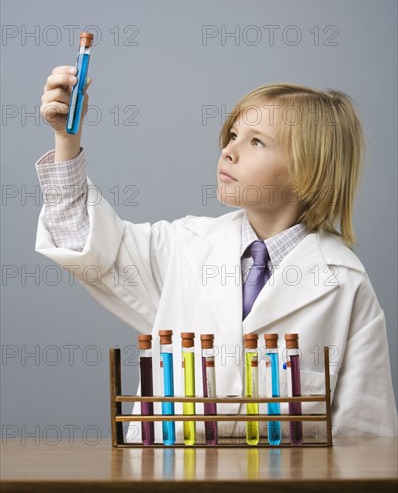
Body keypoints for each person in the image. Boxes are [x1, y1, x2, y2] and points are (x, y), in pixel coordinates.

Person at [35, 65, 397, 443]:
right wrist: (67, 139)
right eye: (234, 134)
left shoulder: (345, 284)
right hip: (166, 480)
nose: (229, 150)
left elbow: (366, 435)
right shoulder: (183, 246)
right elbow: (85, 243)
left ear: (311, 171)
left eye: (256, 142)